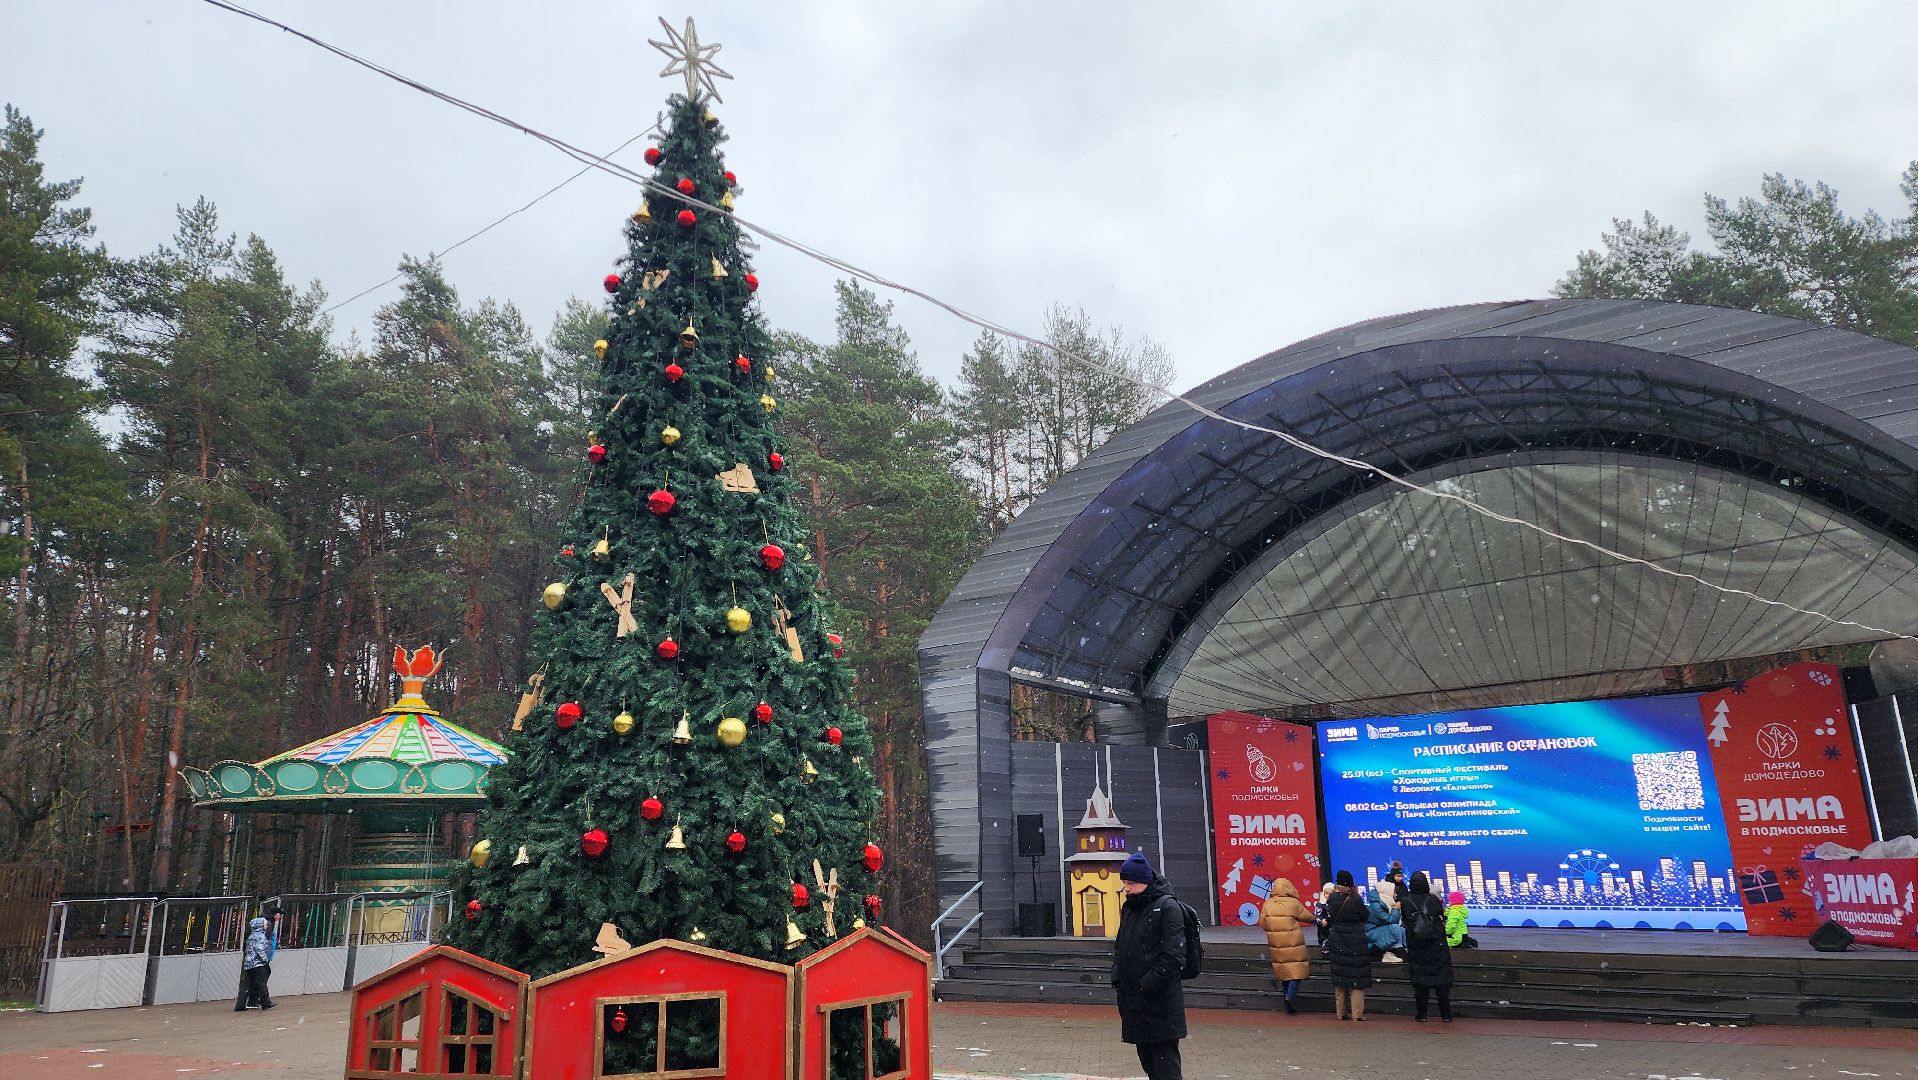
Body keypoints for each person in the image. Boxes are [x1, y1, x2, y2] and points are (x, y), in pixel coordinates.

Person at [1111, 852, 1186, 1080]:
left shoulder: (1167, 907)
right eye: (1124, 882)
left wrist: (1145, 985)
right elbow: (1121, 947)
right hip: (1135, 1002)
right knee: (1149, 1063)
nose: (1126, 888)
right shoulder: (1130, 907)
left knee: (1166, 1068)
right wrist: (1118, 976)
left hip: (1160, 1003)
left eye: (1131, 883)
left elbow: (1173, 956)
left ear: (1145, 882)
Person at [1399, 872, 1454, 1022]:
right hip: (1436, 945)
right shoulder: (1433, 899)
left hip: (1416, 945)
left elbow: (1405, 919)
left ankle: (1422, 1014)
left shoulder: (1406, 901)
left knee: (1420, 981)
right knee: (1441, 981)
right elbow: (1440, 915)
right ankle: (1446, 1015)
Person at [1322, 870, 1373, 1021]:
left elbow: (1331, 916)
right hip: (1356, 941)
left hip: (1337, 940)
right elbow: (1365, 916)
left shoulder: (1332, 898)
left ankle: (1340, 1013)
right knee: (1357, 980)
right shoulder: (1355, 898)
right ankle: (1357, 1014)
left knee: (1340, 978)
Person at [1258, 878, 1311, 1014]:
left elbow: (1262, 923)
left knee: (1284, 972)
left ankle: (1287, 1000)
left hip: (1277, 944)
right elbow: (1308, 917)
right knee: (1296, 971)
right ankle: (1290, 996)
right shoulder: (1293, 903)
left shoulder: (1267, 904)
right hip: (1294, 942)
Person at [235, 916, 275, 1011]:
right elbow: (260, 950)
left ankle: (240, 1005)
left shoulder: (252, 935)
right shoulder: (260, 936)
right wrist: (265, 960)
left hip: (249, 964)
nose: (266, 926)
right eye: (265, 924)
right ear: (260, 925)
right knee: (262, 983)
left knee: (246, 985)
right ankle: (266, 1002)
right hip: (257, 963)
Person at [1365, 878, 1406, 962]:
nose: (1396, 895)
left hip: (1379, 931)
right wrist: (1396, 909)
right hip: (1372, 934)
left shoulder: (1385, 902)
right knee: (1395, 929)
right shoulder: (1376, 906)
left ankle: (1400, 950)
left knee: (1402, 930)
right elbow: (1391, 920)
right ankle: (1396, 951)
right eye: (1394, 892)